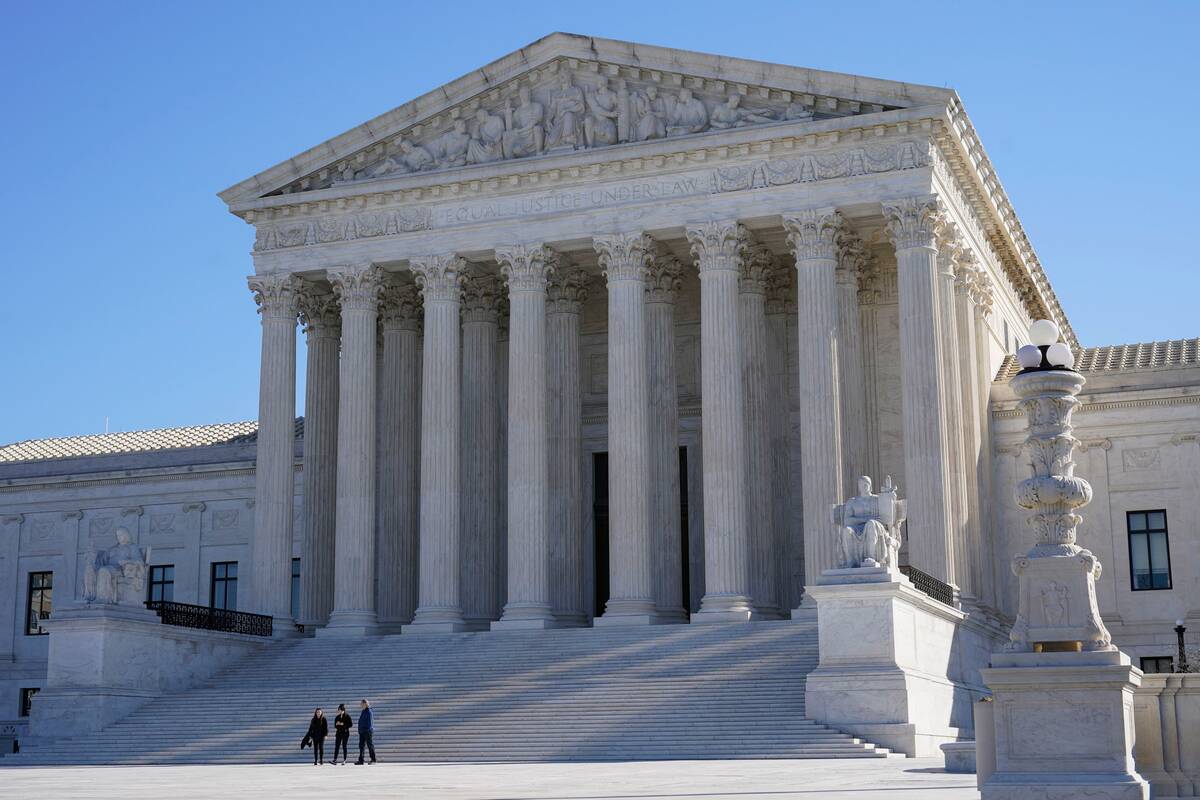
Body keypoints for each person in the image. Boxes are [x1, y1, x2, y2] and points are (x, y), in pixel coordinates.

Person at [355, 698, 376, 764]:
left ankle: (373, 760)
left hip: (367, 731)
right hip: (362, 731)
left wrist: (367, 730)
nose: (360, 705)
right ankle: (361, 760)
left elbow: (370, 723)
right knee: (361, 746)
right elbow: (360, 721)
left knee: (370, 745)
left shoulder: (369, 712)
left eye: (361, 704)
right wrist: (359, 730)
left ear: (365, 704)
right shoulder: (363, 711)